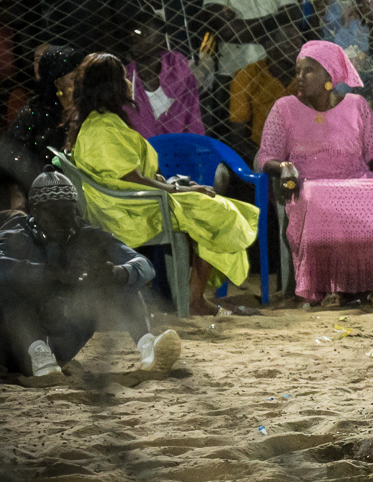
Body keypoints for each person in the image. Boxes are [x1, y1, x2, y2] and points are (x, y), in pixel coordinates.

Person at [68, 53, 258, 317]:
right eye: (122, 76)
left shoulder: (103, 121)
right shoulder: (101, 128)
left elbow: (128, 173)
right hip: (128, 210)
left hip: (135, 200)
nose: (127, 81)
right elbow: (129, 177)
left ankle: (193, 297)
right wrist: (180, 189)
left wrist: (171, 184)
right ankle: (194, 300)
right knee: (215, 211)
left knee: (210, 205)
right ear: (110, 86)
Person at [255, 41, 373, 305]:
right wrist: (284, 167)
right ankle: (323, 287)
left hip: (356, 181)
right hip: (308, 185)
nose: (299, 78)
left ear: (329, 75)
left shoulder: (357, 105)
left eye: (308, 71)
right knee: (314, 196)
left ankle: (372, 284)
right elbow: (266, 156)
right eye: (298, 71)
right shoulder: (285, 108)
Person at [0, 171, 179, 377]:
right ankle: (37, 350)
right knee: (10, 283)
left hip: (63, 338)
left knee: (121, 280)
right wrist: (51, 273)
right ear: (34, 210)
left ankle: (148, 346)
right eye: (52, 212)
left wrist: (116, 272)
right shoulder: (15, 235)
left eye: (66, 211)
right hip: (15, 345)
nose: (61, 220)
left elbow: (145, 265)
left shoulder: (86, 235)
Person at [5, 46, 85, 205]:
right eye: (75, 76)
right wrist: (18, 204)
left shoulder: (87, 110)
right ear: (57, 82)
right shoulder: (32, 116)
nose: (81, 80)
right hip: (46, 201)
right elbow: (12, 165)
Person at [227, 22, 301, 162]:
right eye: (287, 42)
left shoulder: (308, 77)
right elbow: (237, 135)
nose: (294, 48)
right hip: (260, 152)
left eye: (298, 41)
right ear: (269, 46)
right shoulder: (248, 76)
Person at [122, 16, 204, 140]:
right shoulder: (123, 79)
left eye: (141, 33)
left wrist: (195, 150)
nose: (134, 38)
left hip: (177, 149)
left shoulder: (179, 72)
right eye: (131, 33)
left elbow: (193, 119)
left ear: (160, 38)